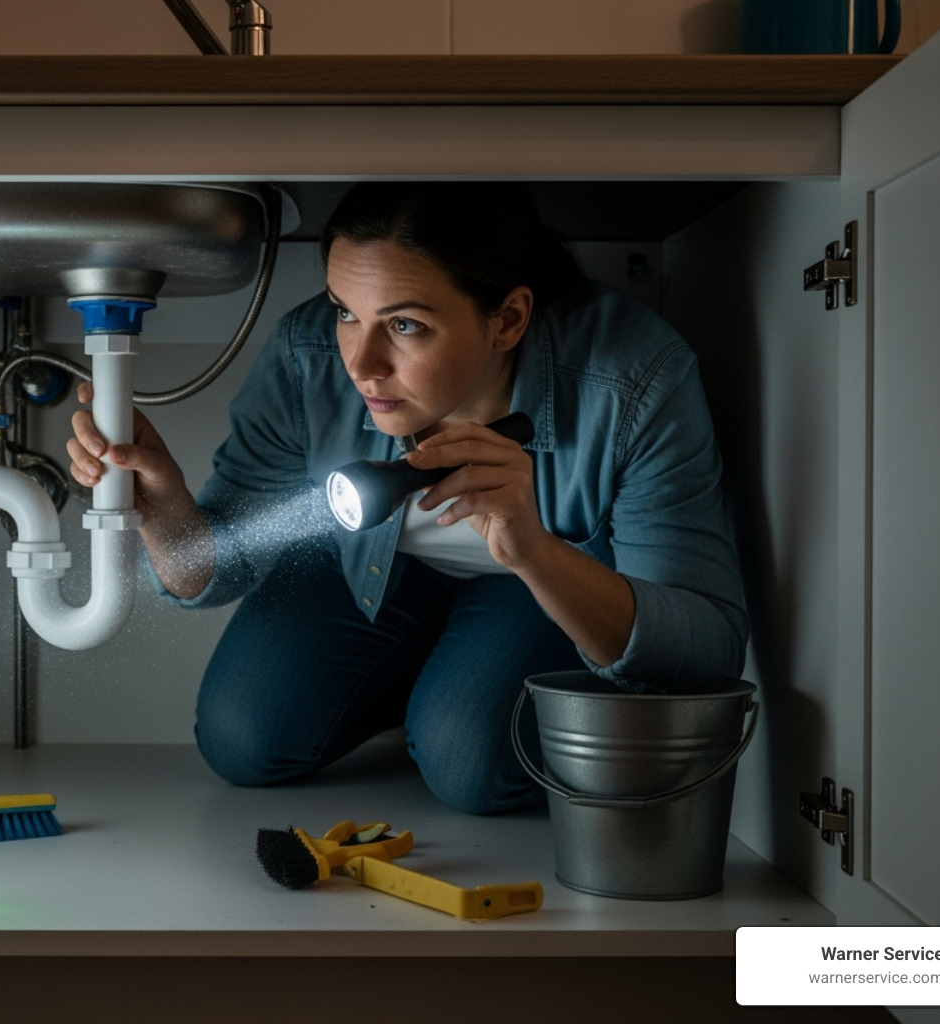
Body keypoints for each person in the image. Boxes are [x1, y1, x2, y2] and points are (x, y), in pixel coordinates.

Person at [66, 182, 748, 814]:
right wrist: (161, 506)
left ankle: (451, 704)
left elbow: (706, 650)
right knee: (243, 741)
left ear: (507, 320)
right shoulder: (309, 355)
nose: (360, 365)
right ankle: (435, 685)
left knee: (469, 763)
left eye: (405, 326)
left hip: (544, 582)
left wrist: (534, 551)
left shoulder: (633, 380)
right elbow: (219, 567)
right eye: (345, 313)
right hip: (364, 565)